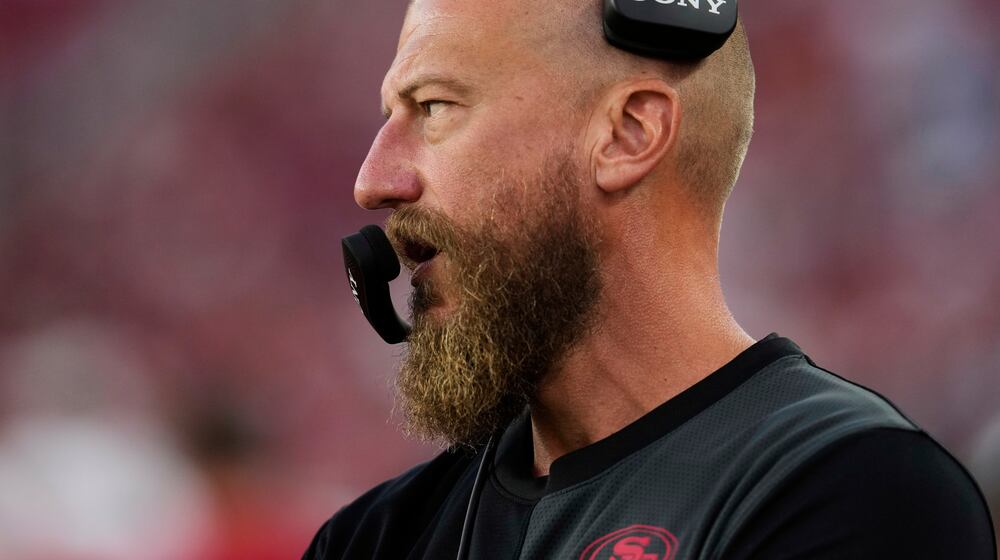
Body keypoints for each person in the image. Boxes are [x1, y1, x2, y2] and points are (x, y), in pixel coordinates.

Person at [304, 0, 997, 558]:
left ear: (629, 133)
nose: (373, 181)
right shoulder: (373, 538)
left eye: (433, 107)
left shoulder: (854, 490)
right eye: (390, 116)